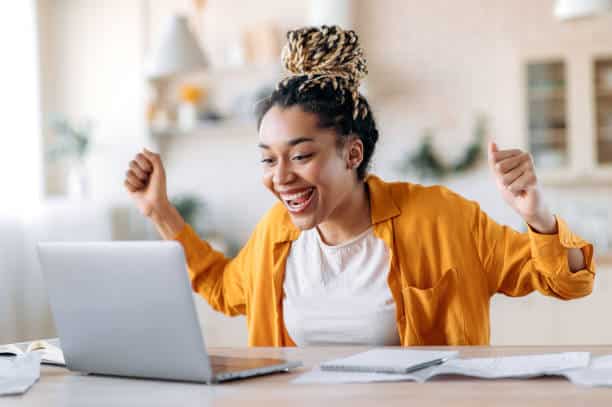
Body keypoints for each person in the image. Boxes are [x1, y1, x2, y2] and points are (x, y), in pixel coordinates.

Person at [123, 25, 595, 347]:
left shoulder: (440, 216)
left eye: (302, 155)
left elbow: (564, 280)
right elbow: (225, 290)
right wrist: (159, 211)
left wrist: (538, 216)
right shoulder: (277, 235)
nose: (280, 177)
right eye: (268, 159)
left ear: (352, 154)